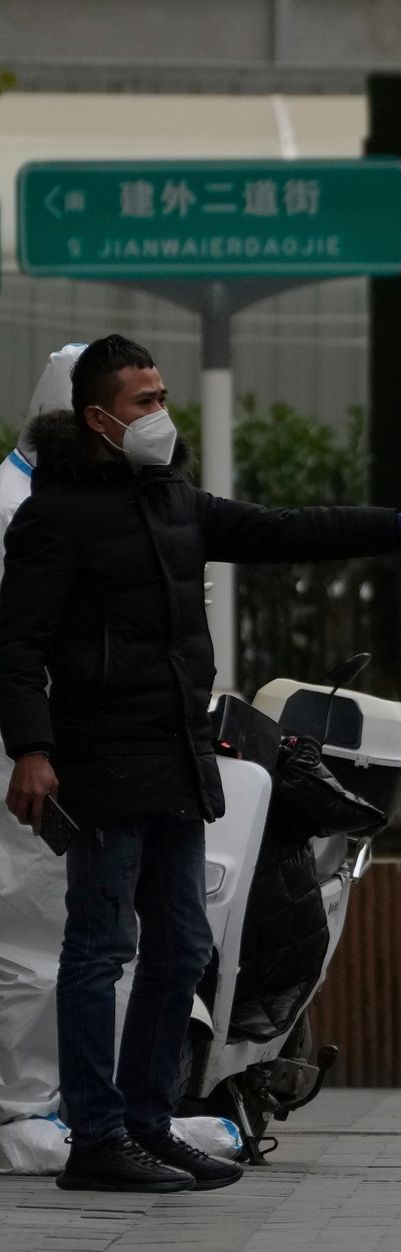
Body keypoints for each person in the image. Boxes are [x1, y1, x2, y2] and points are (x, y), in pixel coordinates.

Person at [0, 334, 401, 1194]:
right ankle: (97, 1135)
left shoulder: (175, 502)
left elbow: (282, 532)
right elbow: (17, 645)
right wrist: (33, 750)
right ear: (96, 417)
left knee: (183, 942)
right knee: (99, 944)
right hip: (103, 759)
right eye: (143, 401)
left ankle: (149, 1121)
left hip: (177, 756)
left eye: (162, 395)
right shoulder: (53, 515)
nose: (162, 413)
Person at [0, 344, 85, 1177]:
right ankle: (23, 1108)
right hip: (29, 758)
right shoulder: (18, 508)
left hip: (66, 750)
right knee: (31, 930)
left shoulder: (54, 499)